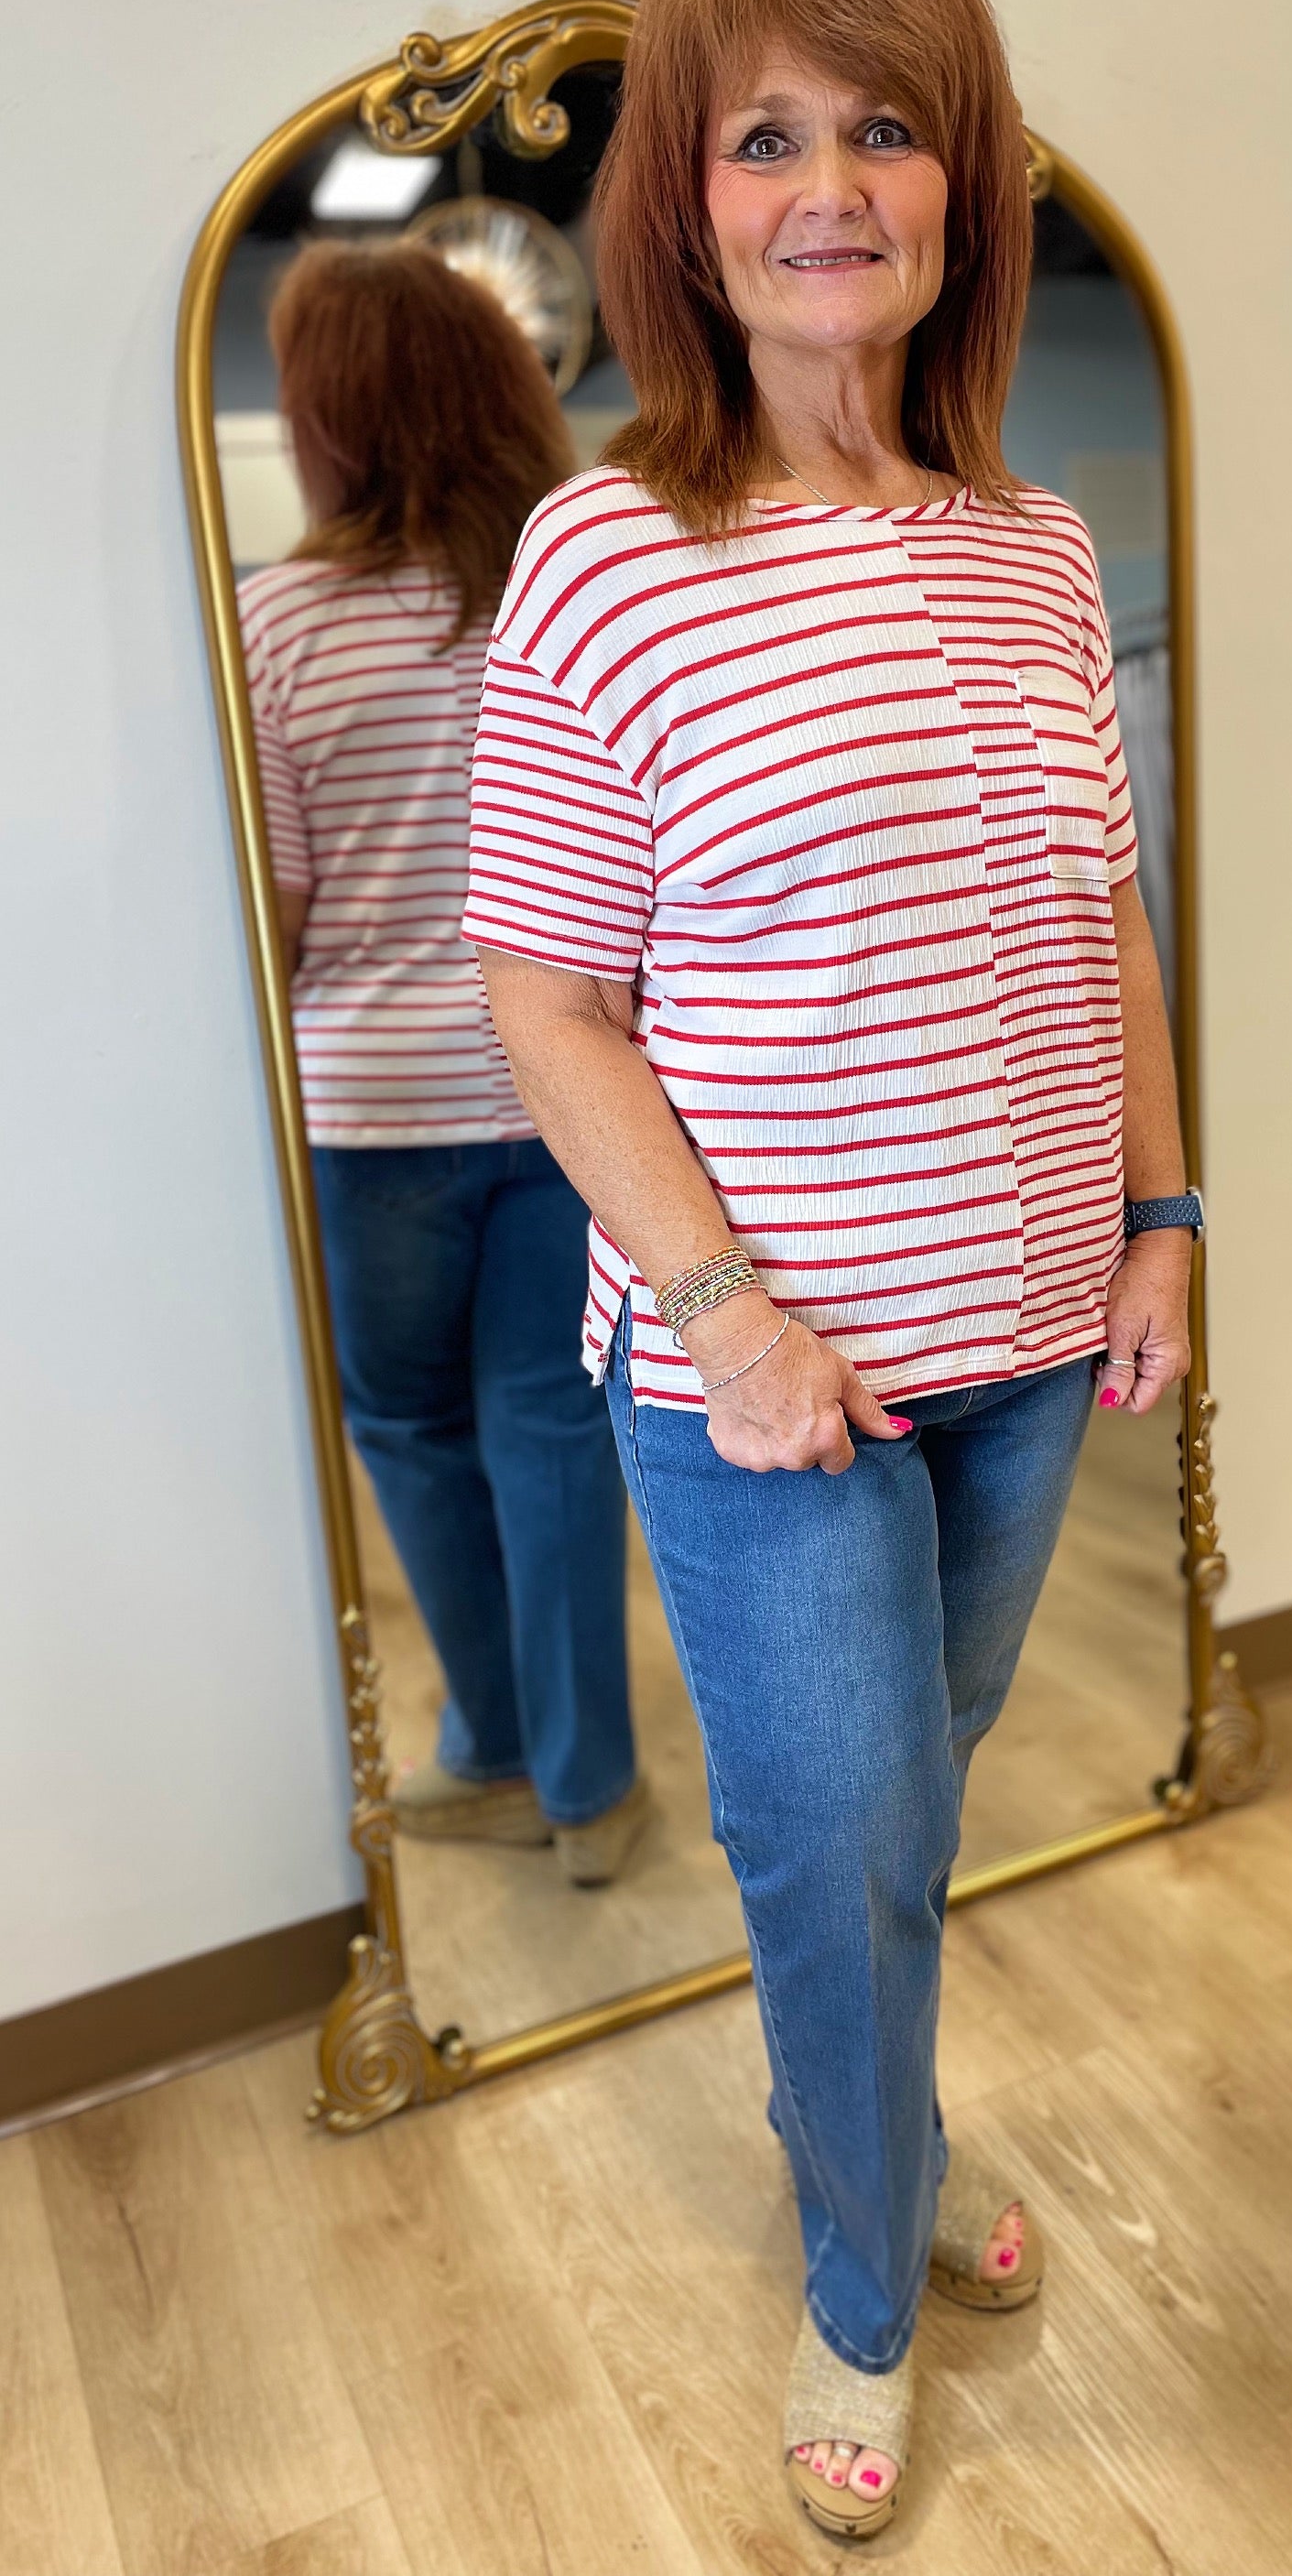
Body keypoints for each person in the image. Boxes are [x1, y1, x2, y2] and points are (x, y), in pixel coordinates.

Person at [462, 0, 1197, 2535]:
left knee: (903, 1822)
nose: (830, 186)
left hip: (1033, 1340)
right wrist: (731, 1311)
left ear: (957, 180)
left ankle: (876, 2126)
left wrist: (1165, 1213)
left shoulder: (1032, 545)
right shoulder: (608, 555)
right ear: (685, 204)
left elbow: (1102, 913)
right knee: (838, 1846)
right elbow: (548, 997)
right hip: (772, 1380)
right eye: (763, 138)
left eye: (884, 127)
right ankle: (862, 2283)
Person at [242, 240, 647, 1887]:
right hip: (575, 1097)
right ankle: (591, 1789)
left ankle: (491, 1751)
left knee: (411, 1429)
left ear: (334, 414)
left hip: (374, 1113)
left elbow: (276, 916)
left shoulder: (278, 624)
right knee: (554, 1429)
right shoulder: (572, 596)